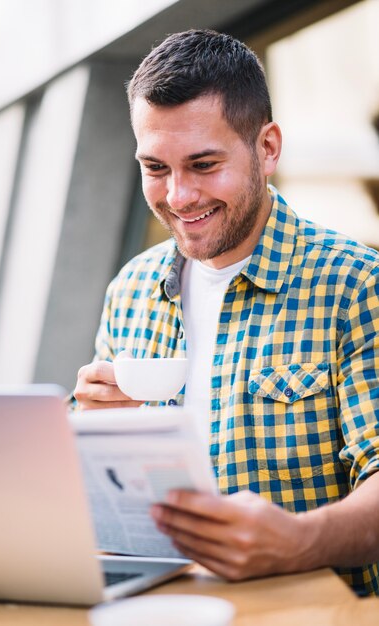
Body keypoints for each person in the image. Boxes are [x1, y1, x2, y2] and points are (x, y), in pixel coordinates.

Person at [73, 29, 379, 596]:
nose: (179, 196)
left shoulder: (356, 286)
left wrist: (302, 540)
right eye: (156, 168)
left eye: (204, 164)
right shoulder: (131, 291)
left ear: (267, 147)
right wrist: (88, 435)